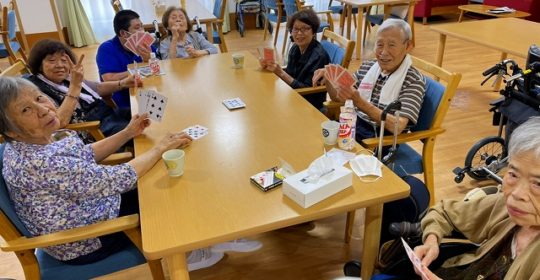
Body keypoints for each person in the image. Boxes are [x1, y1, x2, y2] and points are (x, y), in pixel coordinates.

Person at [0, 77, 262, 270]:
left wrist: (127, 133)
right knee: (166, 188)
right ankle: (191, 254)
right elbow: (115, 180)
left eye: (38, 98)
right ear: (11, 130)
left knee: (161, 179)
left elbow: (85, 154)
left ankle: (211, 235)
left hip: (88, 210)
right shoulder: (40, 162)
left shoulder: (30, 144)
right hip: (85, 240)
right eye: (25, 110)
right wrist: (161, 146)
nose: (43, 108)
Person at [412, 117, 540, 279]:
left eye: (538, 184)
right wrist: (432, 240)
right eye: (513, 174)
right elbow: (444, 212)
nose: (516, 193)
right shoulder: (504, 207)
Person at [313, 18, 425, 141]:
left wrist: (359, 102)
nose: (384, 52)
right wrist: (329, 78)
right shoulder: (369, 66)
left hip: (378, 140)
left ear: (408, 46)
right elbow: (338, 98)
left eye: (392, 45)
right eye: (380, 45)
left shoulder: (413, 80)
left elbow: (397, 126)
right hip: (352, 125)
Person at [26, 39, 140, 143]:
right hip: (96, 130)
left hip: (109, 114)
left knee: (146, 114)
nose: (59, 65)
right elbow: (59, 122)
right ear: (39, 66)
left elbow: (97, 88)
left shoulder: (67, 77)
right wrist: (75, 86)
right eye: (52, 61)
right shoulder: (38, 91)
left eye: (64, 60)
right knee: (144, 130)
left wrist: (123, 83)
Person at [259, 9, 330, 110]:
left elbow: (309, 91)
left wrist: (281, 73)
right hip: (293, 96)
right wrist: (271, 67)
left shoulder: (319, 56)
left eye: (305, 29)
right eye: (295, 29)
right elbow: (291, 74)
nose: (299, 33)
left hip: (309, 105)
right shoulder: (295, 48)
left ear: (313, 31)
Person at [96, 10, 154, 108]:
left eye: (141, 26)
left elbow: (158, 66)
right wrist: (139, 69)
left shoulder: (145, 44)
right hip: (124, 102)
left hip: (148, 92)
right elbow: (108, 78)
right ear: (123, 33)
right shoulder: (106, 49)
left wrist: (149, 59)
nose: (142, 31)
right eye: (137, 28)